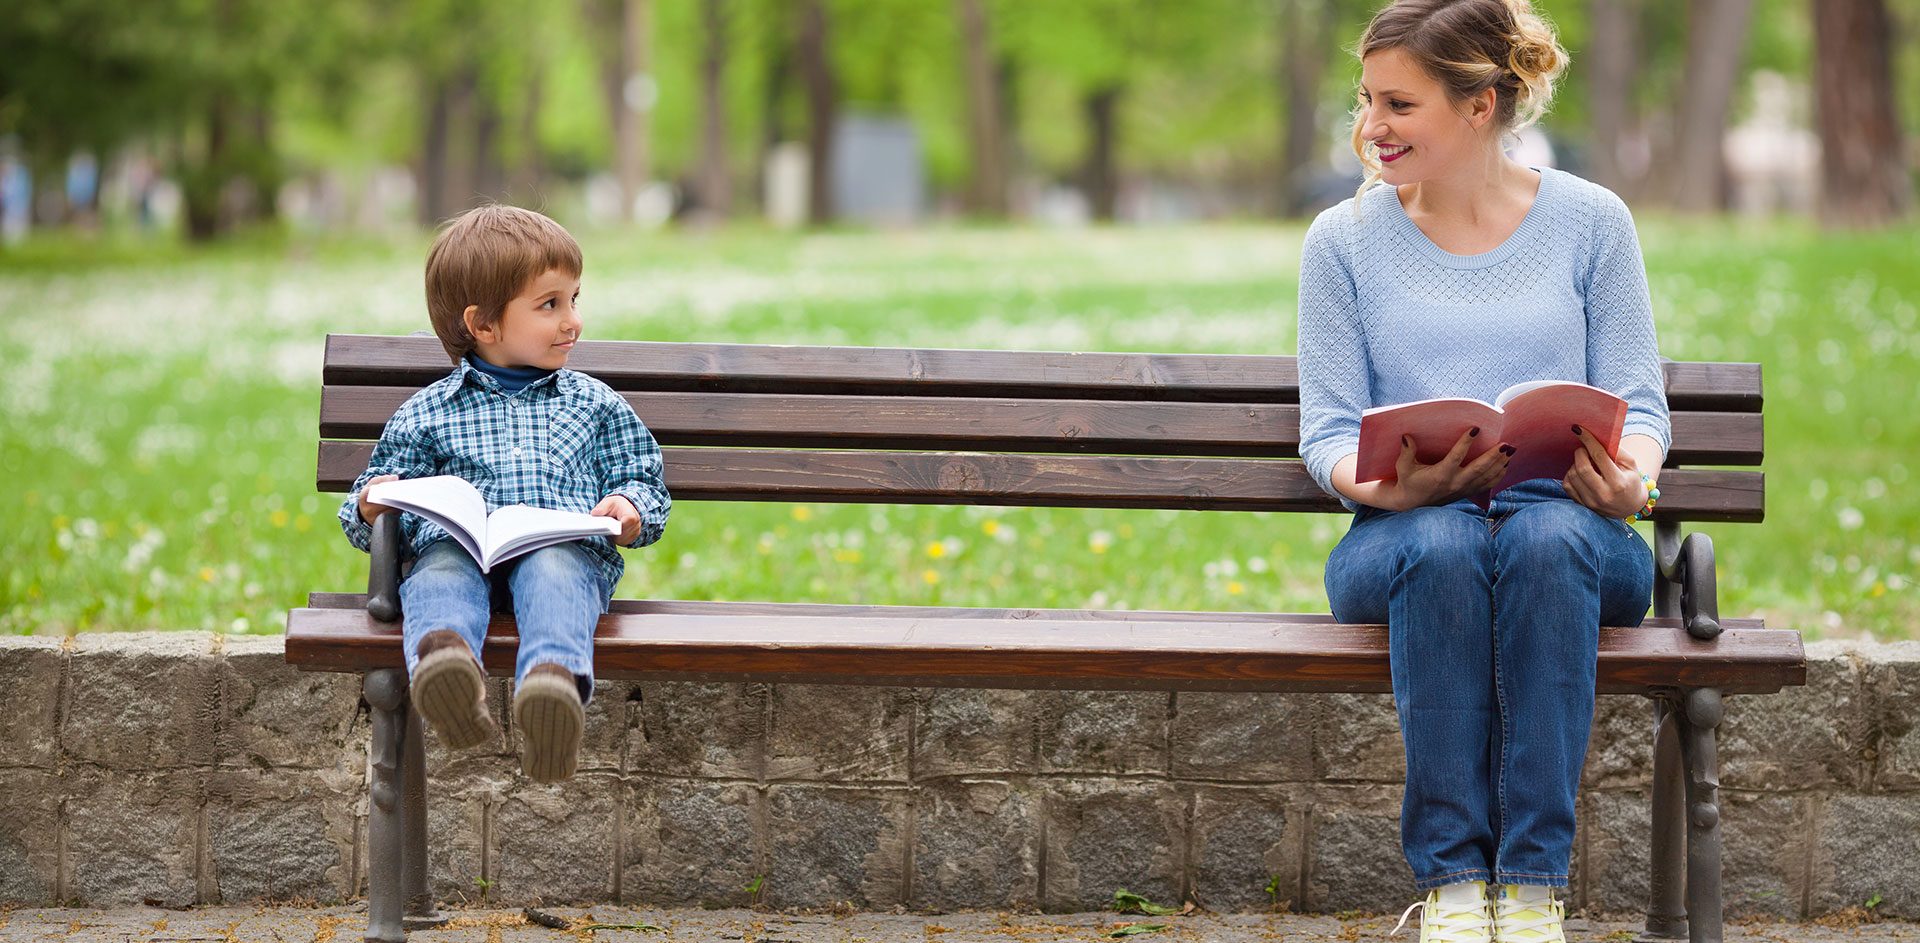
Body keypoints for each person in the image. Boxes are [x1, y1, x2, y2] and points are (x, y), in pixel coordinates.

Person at [1295, 1, 1668, 940]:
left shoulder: (1592, 222)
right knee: (1445, 543)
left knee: (1541, 538)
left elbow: (1642, 404)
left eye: (1400, 103)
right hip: (1401, 536)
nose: (1371, 125)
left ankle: (1534, 885)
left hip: (1576, 529)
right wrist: (1382, 487)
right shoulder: (1341, 241)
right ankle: (1456, 884)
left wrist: (1634, 483)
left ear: (1479, 105)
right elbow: (1328, 431)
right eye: (1367, 98)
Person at [338, 204, 671, 783]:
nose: (573, 321)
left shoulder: (592, 402)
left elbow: (643, 477)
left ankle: (552, 691)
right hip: (459, 549)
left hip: (559, 546)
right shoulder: (427, 412)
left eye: (574, 299)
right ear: (484, 325)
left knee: (555, 573)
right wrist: (374, 502)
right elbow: (364, 512)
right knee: (438, 575)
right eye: (550, 304)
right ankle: (447, 673)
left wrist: (630, 507)